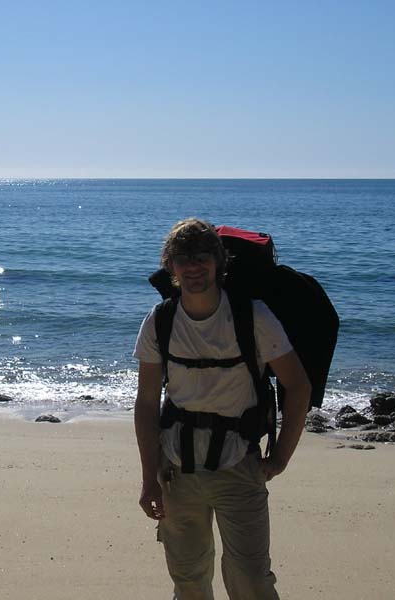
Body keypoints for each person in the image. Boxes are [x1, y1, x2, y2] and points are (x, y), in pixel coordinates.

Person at [133, 218, 311, 600]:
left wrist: (281, 457)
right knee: (188, 581)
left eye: (202, 257)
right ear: (171, 266)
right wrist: (149, 478)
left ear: (218, 261)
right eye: (183, 258)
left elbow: (298, 385)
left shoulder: (253, 316)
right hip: (177, 470)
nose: (193, 266)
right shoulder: (159, 321)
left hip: (239, 467)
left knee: (251, 581)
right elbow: (146, 403)